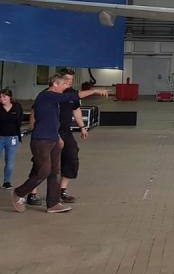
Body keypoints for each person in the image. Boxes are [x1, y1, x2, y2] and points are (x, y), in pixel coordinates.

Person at [11, 69, 106, 214]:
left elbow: (54, 121)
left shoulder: (55, 100)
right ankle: (19, 193)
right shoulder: (47, 96)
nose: (66, 87)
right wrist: (94, 91)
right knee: (44, 171)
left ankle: (53, 203)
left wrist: (58, 137)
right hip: (41, 140)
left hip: (54, 139)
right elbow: (75, 95)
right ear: (55, 84)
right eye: (64, 84)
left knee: (54, 171)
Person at [28, 86, 86, 204]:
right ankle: (29, 192)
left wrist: (82, 127)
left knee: (69, 159)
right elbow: (35, 112)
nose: (69, 83)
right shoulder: (47, 94)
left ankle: (59, 193)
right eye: (66, 81)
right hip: (47, 133)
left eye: (70, 80)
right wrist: (34, 128)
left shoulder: (71, 94)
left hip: (65, 132)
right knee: (42, 165)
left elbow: (76, 109)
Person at [0, 88, 24, 189]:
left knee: (9, 162)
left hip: (12, 138)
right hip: (0, 137)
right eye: (0, 97)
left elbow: (20, 119)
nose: (1, 98)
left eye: (4, 96)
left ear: (10, 97)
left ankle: (7, 182)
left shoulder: (17, 107)